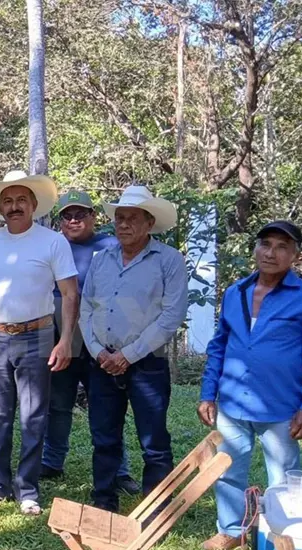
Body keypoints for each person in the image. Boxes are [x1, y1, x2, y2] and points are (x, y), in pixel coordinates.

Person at [0, 170, 79, 515]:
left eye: (22, 200)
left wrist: (64, 341)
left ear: (34, 204)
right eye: (8, 200)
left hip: (37, 336)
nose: (14, 206)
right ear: (0, 207)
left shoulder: (53, 241)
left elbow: (69, 294)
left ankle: (28, 488)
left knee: (33, 415)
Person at [199, 220, 302, 550]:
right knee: (228, 466)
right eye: (265, 244)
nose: (271, 253)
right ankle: (231, 531)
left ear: (295, 256)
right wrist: (208, 391)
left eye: (282, 247)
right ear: (255, 249)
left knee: (284, 476)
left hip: (281, 403)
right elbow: (220, 344)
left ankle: (285, 540)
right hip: (232, 399)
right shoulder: (237, 292)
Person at [80, 185, 186, 512]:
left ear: (149, 223)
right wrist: (97, 350)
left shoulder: (169, 260)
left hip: (146, 364)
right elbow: (86, 308)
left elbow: (171, 317)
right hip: (101, 362)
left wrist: (128, 355)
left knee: (153, 441)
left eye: (132, 219)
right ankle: (103, 502)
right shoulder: (102, 259)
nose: (123, 224)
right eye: (119, 218)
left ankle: (156, 509)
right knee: (104, 437)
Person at [41, 191, 138, 495]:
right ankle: (51, 461)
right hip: (61, 337)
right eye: (67, 216)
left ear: (94, 217)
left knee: (105, 405)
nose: (73, 220)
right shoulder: (52, 246)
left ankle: (119, 470)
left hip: (102, 340)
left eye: (80, 214)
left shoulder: (111, 245)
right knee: (57, 404)